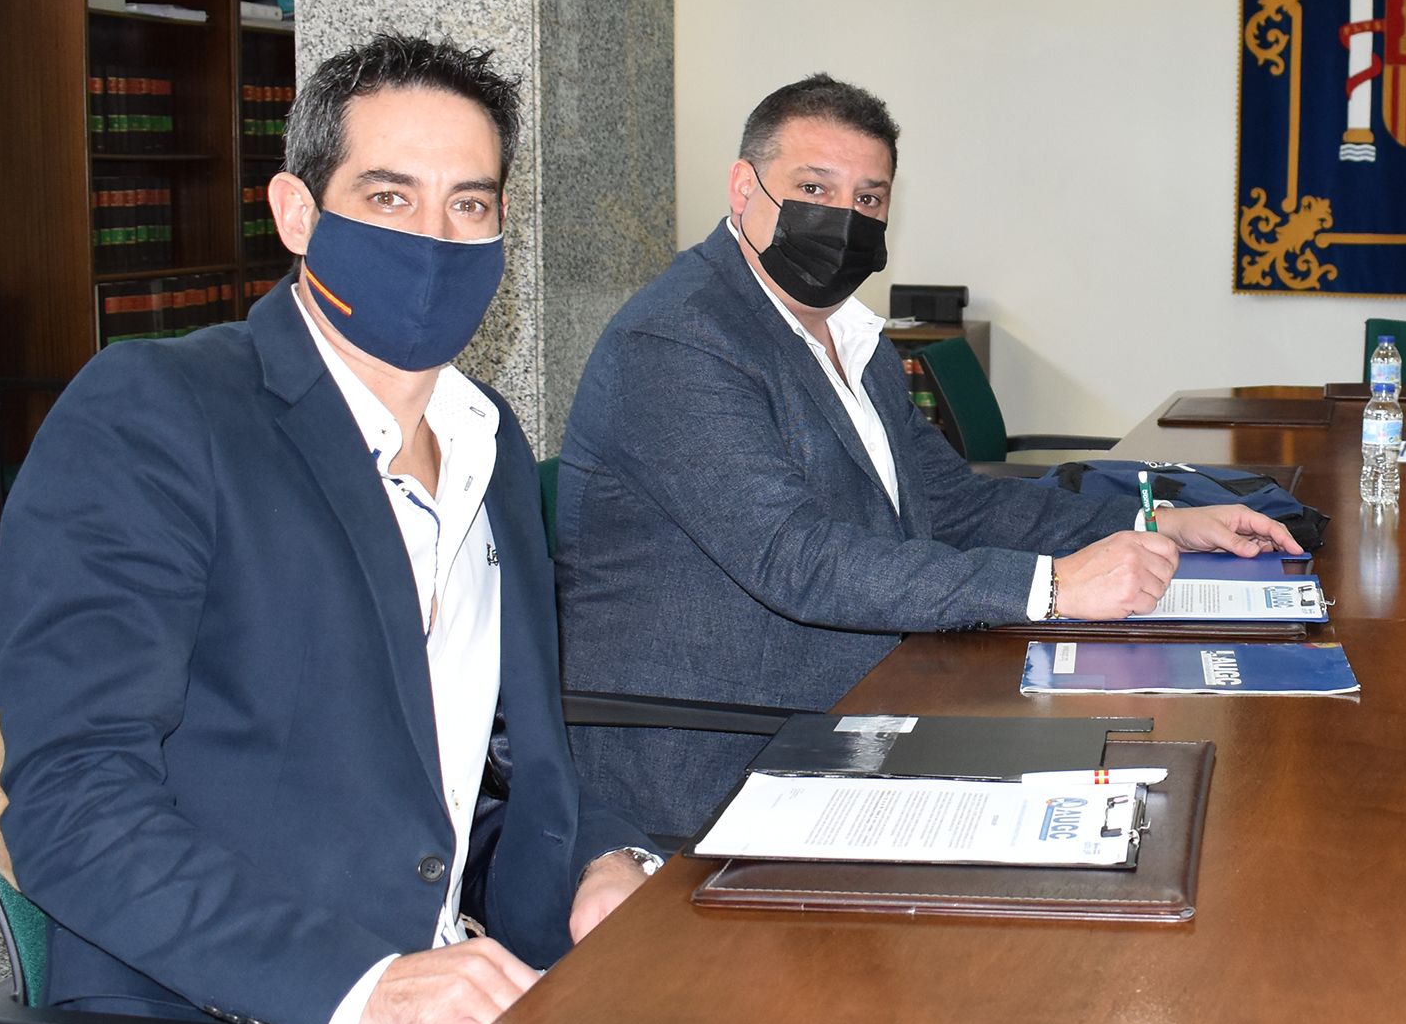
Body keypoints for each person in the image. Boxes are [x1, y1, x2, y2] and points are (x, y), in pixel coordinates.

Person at [0, 34, 667, 1024]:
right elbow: (67, 807)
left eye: (472, 206)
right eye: (388, 198)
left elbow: (493, 753)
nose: (435, 240)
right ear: (297, 210)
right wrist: (368, 988)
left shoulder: (486, 431)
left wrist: (603, 857)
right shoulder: (156, 416)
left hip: (480, 1005)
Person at [556, 73, 1300, 846]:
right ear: (744, 189)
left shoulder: (854, 340)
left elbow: (959, 505)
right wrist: (1052, 585)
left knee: (1163, 793)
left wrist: (1161, 522)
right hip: (727, 750)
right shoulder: (679, 342)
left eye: (869, 198)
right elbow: (794, 558)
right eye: (814, 186)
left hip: (870, 693)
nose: (843, 217)